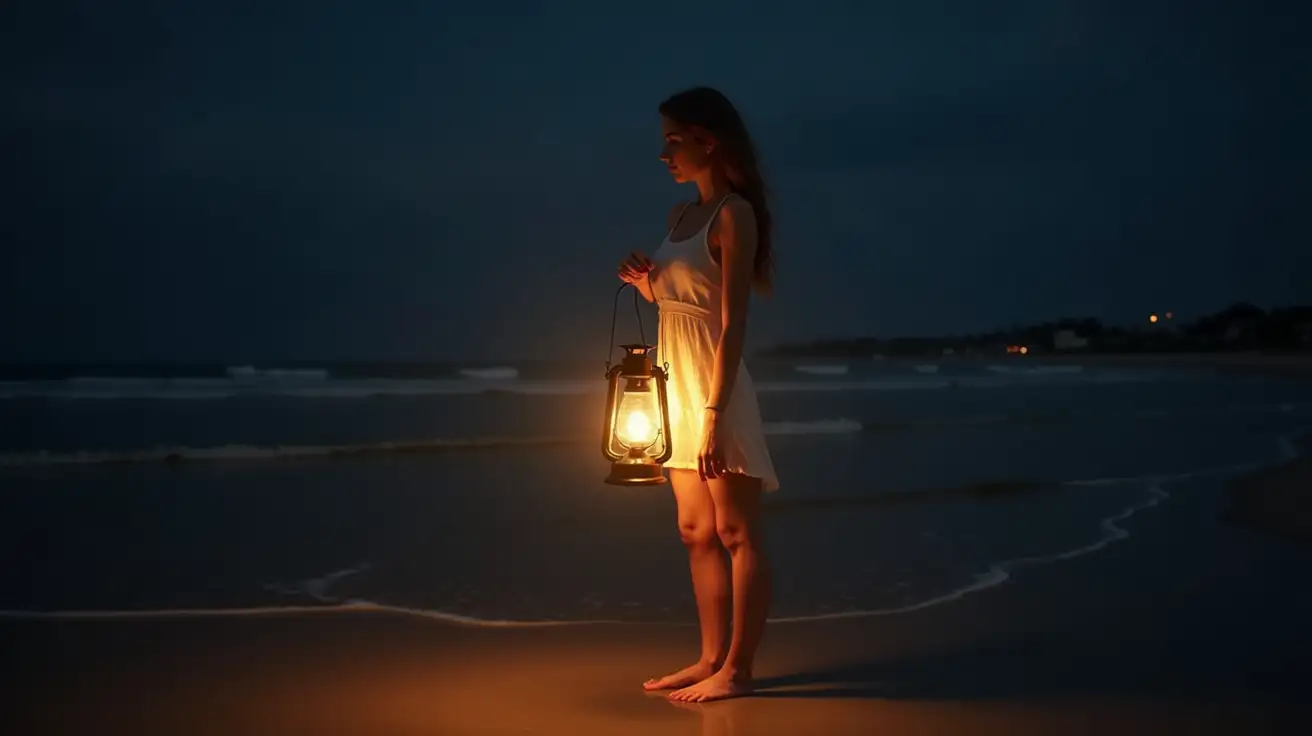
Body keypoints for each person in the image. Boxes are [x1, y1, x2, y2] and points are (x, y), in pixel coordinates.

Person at [617, 86, 780, 703]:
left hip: (716, 389)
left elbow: (732, 321)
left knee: (737, 532)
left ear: (708, 142)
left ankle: (738, 669)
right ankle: (710, 655)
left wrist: (713, 415)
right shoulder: (679, 218)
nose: (664, 153)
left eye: (673, 140)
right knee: (694, 528)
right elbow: (680, 306)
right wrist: (644, 284)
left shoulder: (733, 214)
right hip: (674, 385)